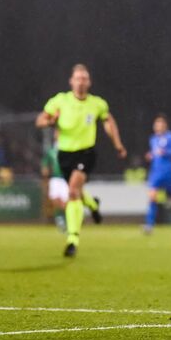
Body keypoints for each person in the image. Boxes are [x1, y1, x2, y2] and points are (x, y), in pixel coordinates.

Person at [36, 64, 127, 257]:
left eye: (84, 78)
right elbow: (40, 120)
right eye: (77, 78)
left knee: (73, 191)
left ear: (89, 82)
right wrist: (50, 121)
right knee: (76, 191)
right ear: (71, 81)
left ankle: (72, 239)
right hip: (64, 154)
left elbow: (108, 122)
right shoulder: (60, 101)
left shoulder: (97, 104)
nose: (81, 81)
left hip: (86, 153)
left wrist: (117, 144)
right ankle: (93, 205)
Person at [144, 114, 171, 234]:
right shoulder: (153, 139)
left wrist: (166, 152)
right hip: (156, 172)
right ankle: (149, 225)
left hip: (168, 171)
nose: (157, 126)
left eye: (160, 124)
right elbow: (155, 153)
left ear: (165, 126)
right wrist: (151, 155)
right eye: (156, 124)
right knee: (152, 196)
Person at [40, 143, 68, 232]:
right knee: (55, 200)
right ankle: (60, 221)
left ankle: (66, 221)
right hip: (55, 178)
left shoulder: (68, 150)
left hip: (65, 178)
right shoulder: (51, 151)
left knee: (65, 202)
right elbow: (45, 163)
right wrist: (45, 173)